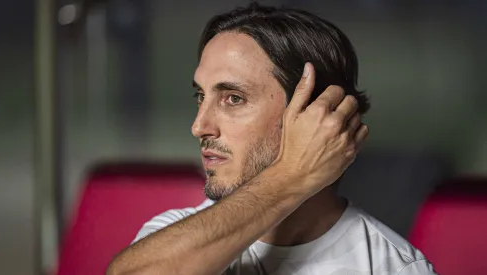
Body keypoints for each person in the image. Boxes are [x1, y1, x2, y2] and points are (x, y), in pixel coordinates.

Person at [107, 3, 437, 275]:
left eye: (232, 98)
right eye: (201, 97)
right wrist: (292, 178)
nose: (199, 126)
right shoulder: (177, 235)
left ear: (317, 116)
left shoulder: (394, 267)